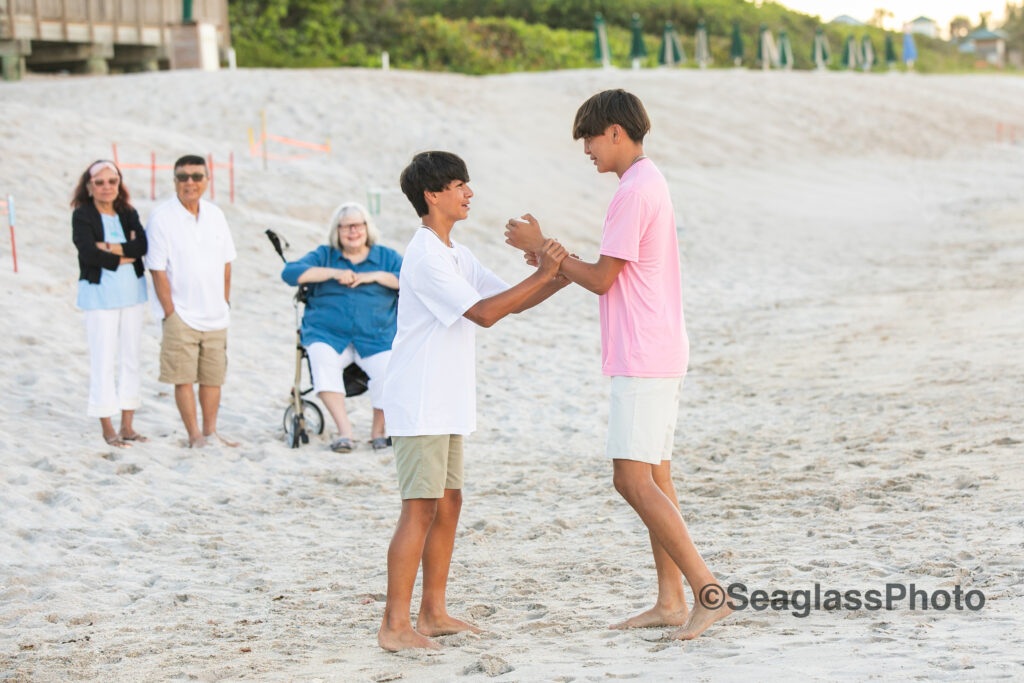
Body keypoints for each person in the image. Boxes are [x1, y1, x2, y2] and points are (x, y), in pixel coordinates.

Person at [504, 89, 731, 640]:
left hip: (646, 353)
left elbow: (603, 279)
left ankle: (709, 592)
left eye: (589, 136)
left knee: (630, 478)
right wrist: (550, 260)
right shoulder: (645, 182)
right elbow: (605, 272)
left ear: (615, 131)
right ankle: (671, 599)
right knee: (654, 477)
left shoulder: (634, 191)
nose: (585, 148)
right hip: (657, 346)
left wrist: (548, 248)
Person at [376, 151, 568, 651]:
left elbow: (513, 300)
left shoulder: (455, 254)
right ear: (432, 195)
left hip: (446, 399)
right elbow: (484, 314)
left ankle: (434, 612)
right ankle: (395, 626)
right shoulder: (423, 256)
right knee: (418, 510)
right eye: (459, 184)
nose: (469, 193)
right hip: (419, 399)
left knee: (449, 504)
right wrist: (545, 271)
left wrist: (556, 273)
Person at [281, 202, 402, 452]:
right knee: (322, 360)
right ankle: (344, 432)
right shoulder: (325, 255)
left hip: (376, 337)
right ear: (337, 231)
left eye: (357, 225)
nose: (352, 231)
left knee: (389, 372)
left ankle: (378, 431)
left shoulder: (386, 257)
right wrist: (333, 273)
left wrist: (377, 276)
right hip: (328, 335)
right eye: (345, 226)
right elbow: (290, 273)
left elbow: (412, 280)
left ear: (367, 228)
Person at [144, 155, 237, 449]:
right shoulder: (161, 218)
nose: (189, 183)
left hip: (216, 313)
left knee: (213, 377)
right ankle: (194, 435)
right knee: (182, 377)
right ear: (174, 181)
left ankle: (211, 432)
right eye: (182, 177)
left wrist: (224, 302)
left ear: (207, 180)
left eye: (196, 176)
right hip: (180, 313)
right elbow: (157, 270)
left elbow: (226, 263)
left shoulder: (216, 215)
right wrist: (171, 313)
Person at [71, 160, 149, 448]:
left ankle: (127, 425)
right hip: (100, 296)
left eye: (112, 181)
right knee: (103, 359)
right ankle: (107, 427)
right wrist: (124, 255)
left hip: (132, 294)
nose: (106, 187)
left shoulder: (128, 212)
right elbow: (89, 253)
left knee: (131, 358)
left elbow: (142, 247)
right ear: (89, 186)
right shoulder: (82, 216)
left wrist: (112, 249)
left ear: (119, 184)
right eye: (100, 182)